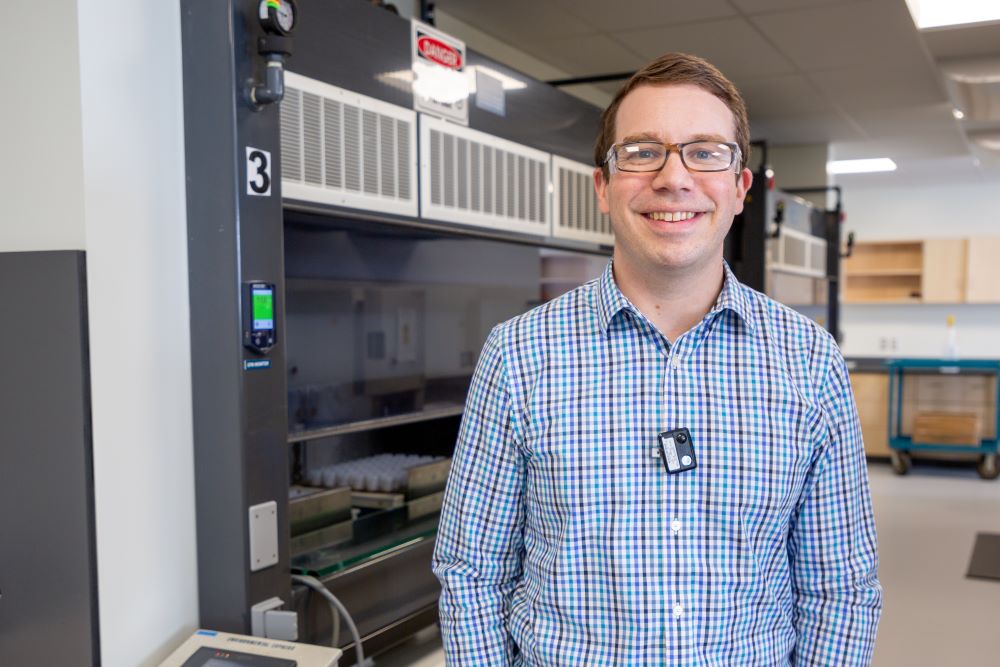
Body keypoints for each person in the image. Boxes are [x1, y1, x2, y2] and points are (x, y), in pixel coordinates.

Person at [432, 52, 882, 665]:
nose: (674, 178)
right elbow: (471, 574)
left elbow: (842, 591)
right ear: (603, 186)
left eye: (705, 151)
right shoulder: (519, 355)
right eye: (643, 152)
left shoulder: (809, 362)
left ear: (740, 188)